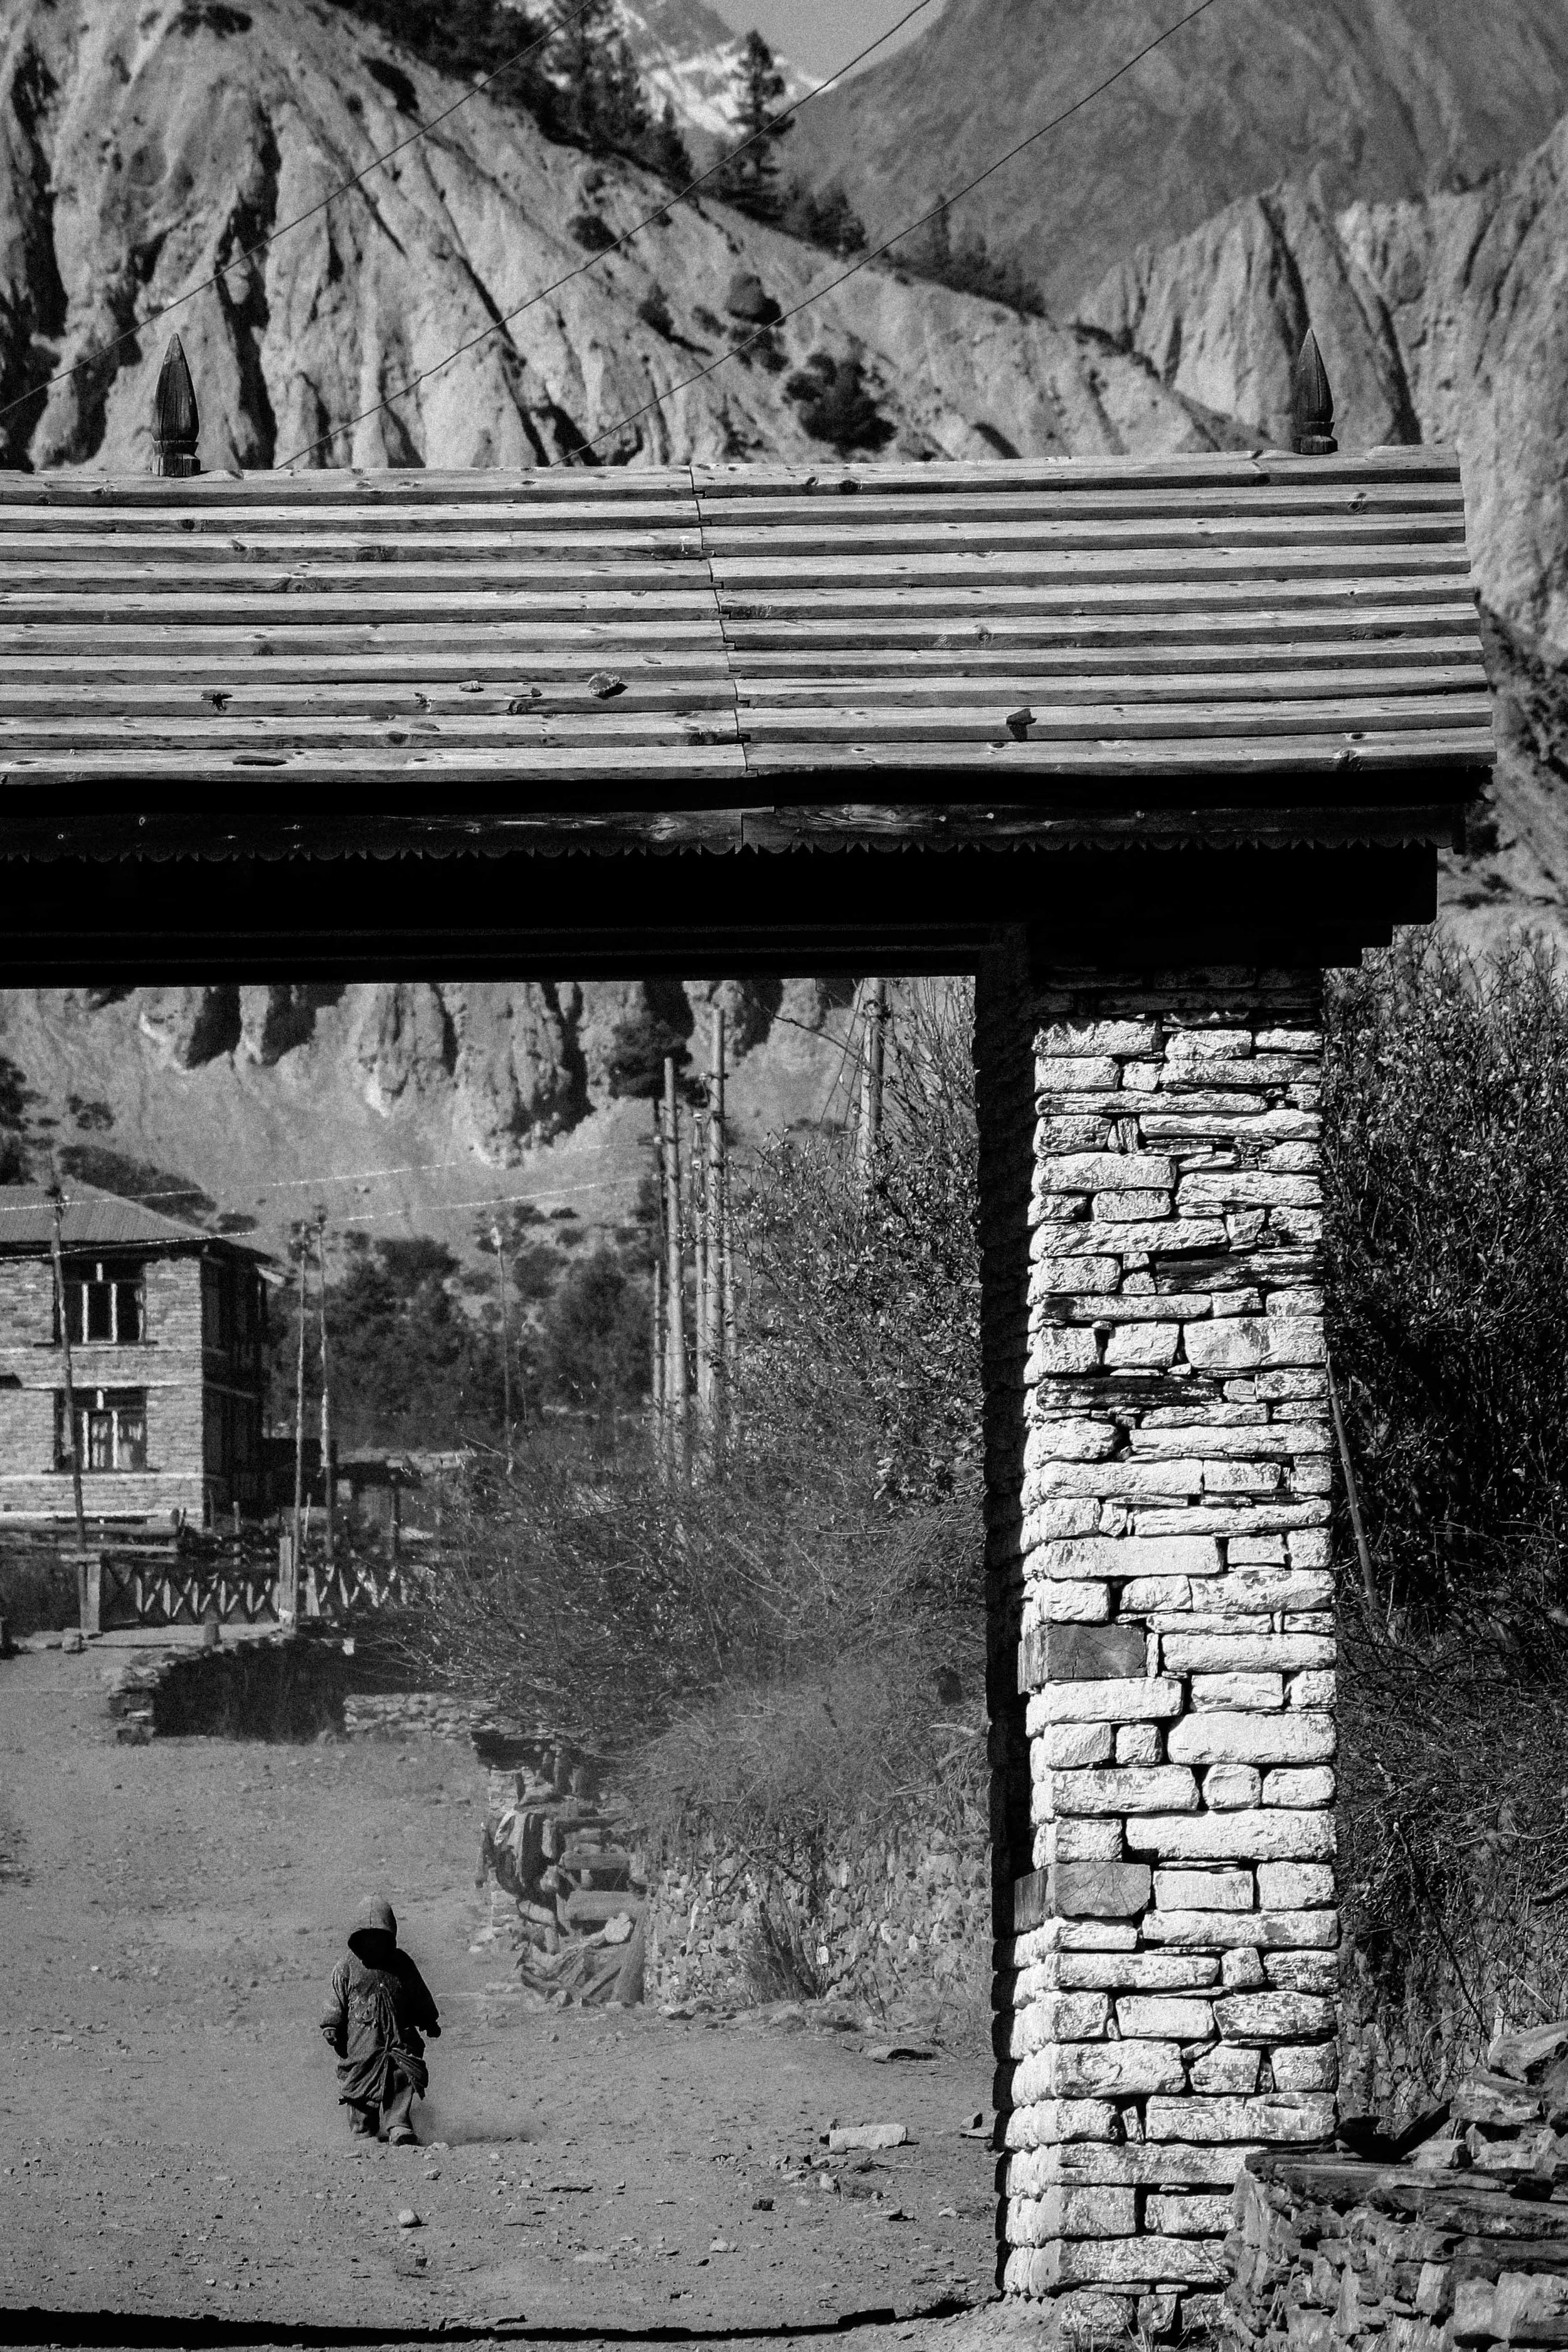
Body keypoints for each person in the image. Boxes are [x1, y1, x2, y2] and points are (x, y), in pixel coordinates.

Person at [320, 1894, 440, 2145]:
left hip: (399, 2038)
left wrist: (429, 2019)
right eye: (367, 1940)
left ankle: (399, 2124)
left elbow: (418, 1992)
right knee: (361, 2085)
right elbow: (336, 1999)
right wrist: (331, 2025)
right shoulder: (347, 1967)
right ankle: (363, 2130)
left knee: (401, 2077)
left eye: (379, 1939)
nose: (373, 1945)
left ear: (390, 1939)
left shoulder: (402, 1964)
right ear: (357, 1941)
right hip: (362, 2042)